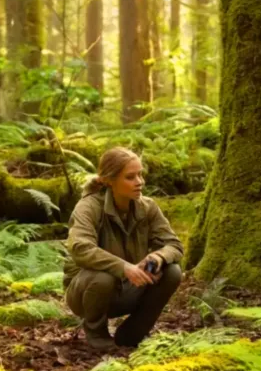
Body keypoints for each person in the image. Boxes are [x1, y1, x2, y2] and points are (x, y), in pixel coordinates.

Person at [63, 147, 184, 349]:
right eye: (130, 177)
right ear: (109, 180)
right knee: (104, 277)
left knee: (172, 271)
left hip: (129, 286)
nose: (139, 182)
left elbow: (174, 245)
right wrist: (124, 267)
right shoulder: (89, 207)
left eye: (140, 174)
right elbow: (80, 248)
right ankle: (97, 334)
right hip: (86, 293)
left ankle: (132, 334)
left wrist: (158, 257)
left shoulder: (148, 207)